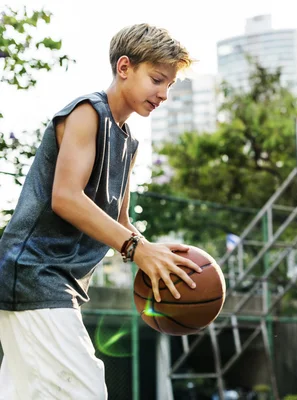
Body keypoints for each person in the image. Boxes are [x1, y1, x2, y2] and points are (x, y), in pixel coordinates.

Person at [0, 23, 202, 399]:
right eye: (158, 79)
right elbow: (66, 197)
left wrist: (156, 254)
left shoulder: (129, 142)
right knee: (84, 391)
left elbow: (120, 224)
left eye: (170, 85)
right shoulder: (86, 113)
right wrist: (136, 249)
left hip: (59, 283)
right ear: (124, 67)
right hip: (35, 275)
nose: (164, 94)